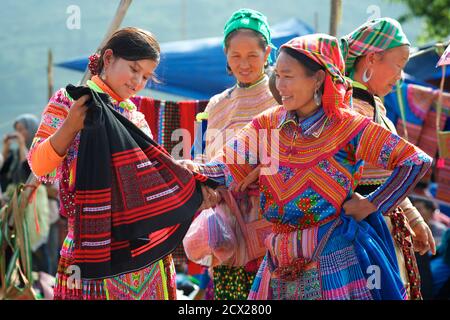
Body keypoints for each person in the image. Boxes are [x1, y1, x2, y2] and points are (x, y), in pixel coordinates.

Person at [185, 34, 433, 300]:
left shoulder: (348, 126)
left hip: (332, 259)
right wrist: (187, 170)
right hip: (278, 258)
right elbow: (226, 167)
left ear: (317, 78)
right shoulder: (267, 123)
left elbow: (415, 161)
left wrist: (372, 204)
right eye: (277, 75)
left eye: (288, 76)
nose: (279, 86)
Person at [28, 27, 218, 300]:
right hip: (89, 245)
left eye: (146, 76)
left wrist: (187, 178)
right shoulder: (69, 100)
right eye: (134, 69)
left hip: (141, 247)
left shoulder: (135, 117)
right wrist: (70, 126)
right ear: (108, 59)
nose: (138, 82)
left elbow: (148, 177)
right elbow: (39, 166)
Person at [340, 17, 436, 299]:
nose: (401, 76)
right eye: (399, 64)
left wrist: (414, 219)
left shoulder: (375, 109)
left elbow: (386, 177)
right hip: (358, 235)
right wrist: (372, 204)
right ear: (371, 59)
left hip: (379, 228)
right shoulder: (349, 112)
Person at [184, 8, 277, 300]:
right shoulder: (216, 104)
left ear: (267, 53)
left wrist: (257, 172)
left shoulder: (280, 99)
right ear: (225, 54)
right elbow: (208, 158)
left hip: (274, 223)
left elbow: (292, 154)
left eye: (252, 55)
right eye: (235, 55)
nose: (244, 64)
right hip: (228, 226)